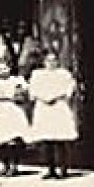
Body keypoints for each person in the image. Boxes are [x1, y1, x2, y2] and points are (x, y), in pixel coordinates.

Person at [28, 49, 78, 179]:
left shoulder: (64, 74)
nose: (51, 63)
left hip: (58, 106)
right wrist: (43, 97)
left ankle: (63, 168)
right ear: (44, 62)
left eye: (54, 60)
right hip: (44, 107)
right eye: (48, 61)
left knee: (60, 139)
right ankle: (50, 168)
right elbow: (33, 90)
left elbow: (69, 88)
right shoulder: (37, 74)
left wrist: (57, 96)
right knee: (47, 140)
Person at [0, 58, 30, 176]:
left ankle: (14, 165)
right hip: (0, 110)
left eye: (6, 68)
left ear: (10, 69)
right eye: (1, 69)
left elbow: (22, 95)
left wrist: (16, 96)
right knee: (1, 140)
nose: (3, 71)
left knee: (14, 140)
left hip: (13, 110)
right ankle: (6, 165)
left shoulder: (17, 80)